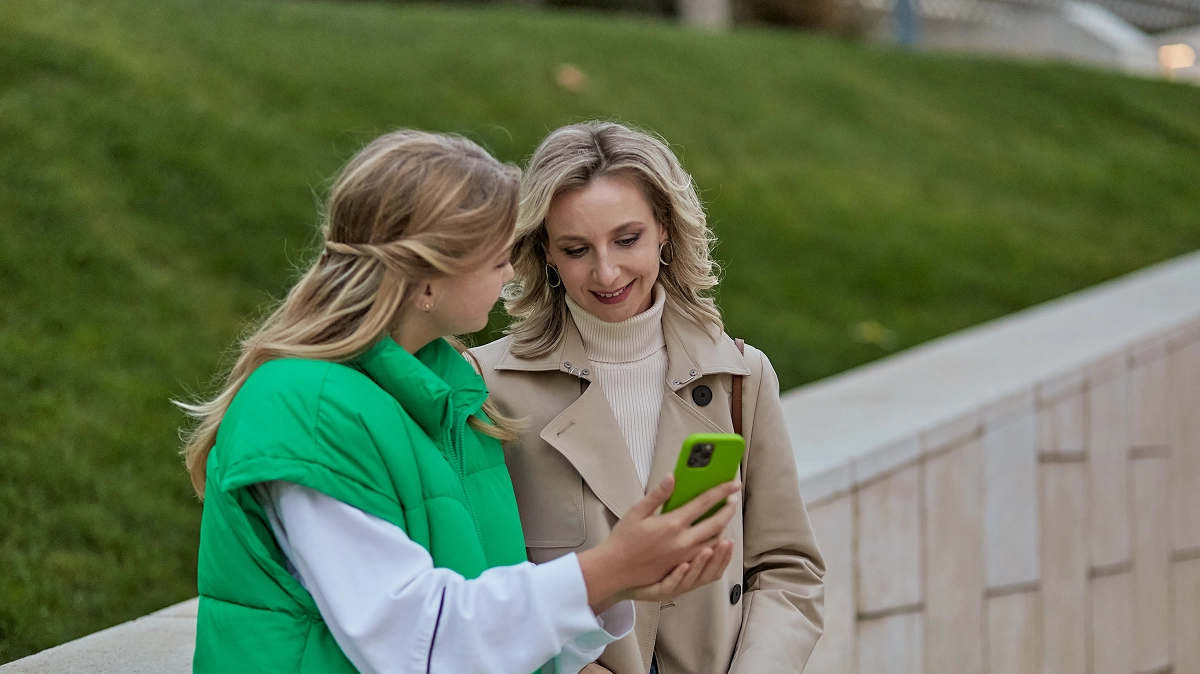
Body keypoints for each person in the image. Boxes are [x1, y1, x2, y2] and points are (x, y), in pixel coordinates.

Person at [178, 130, 743, 674]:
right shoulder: (307, 410)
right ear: (426, 282)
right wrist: (604, 569)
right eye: (498, 259)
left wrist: (617, 585)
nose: (508, 278)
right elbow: (417, 643)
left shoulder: (457, 405)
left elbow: (486, 637)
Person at [471, 122, 825, 674]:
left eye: (627, 239)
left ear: (664, 228)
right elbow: (480, 585)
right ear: (545, 252)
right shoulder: (488, 387)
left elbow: (786, 567)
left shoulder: (739, 377)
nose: (606, 271)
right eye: (576, 248)